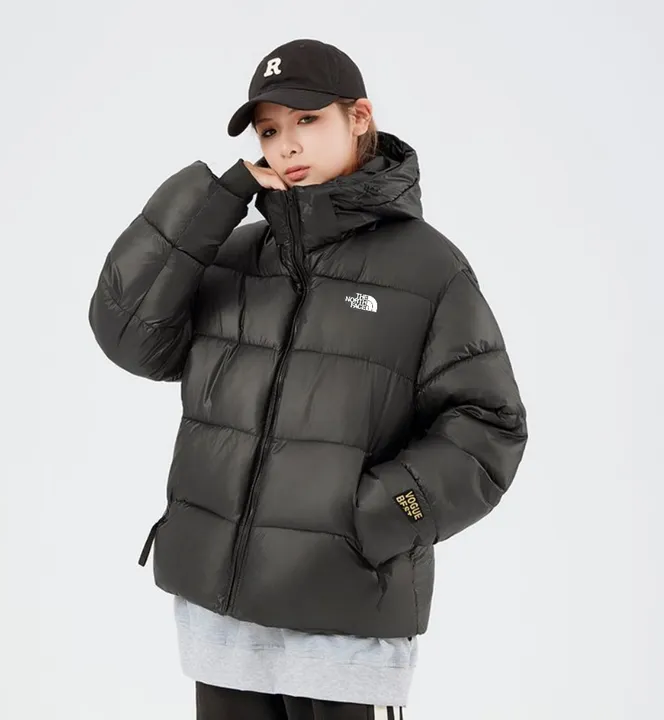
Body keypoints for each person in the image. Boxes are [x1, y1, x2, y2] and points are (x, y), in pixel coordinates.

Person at [88, 38, 528, 720]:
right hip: (224, 628)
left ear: (359, 118)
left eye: (307, 120)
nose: (287, 144)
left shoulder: (428, 269)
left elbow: (488, 426)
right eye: (269, 130)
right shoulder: (234, 258)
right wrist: (217, 198)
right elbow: (127, 331)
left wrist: (376, 516)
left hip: (344, 631)